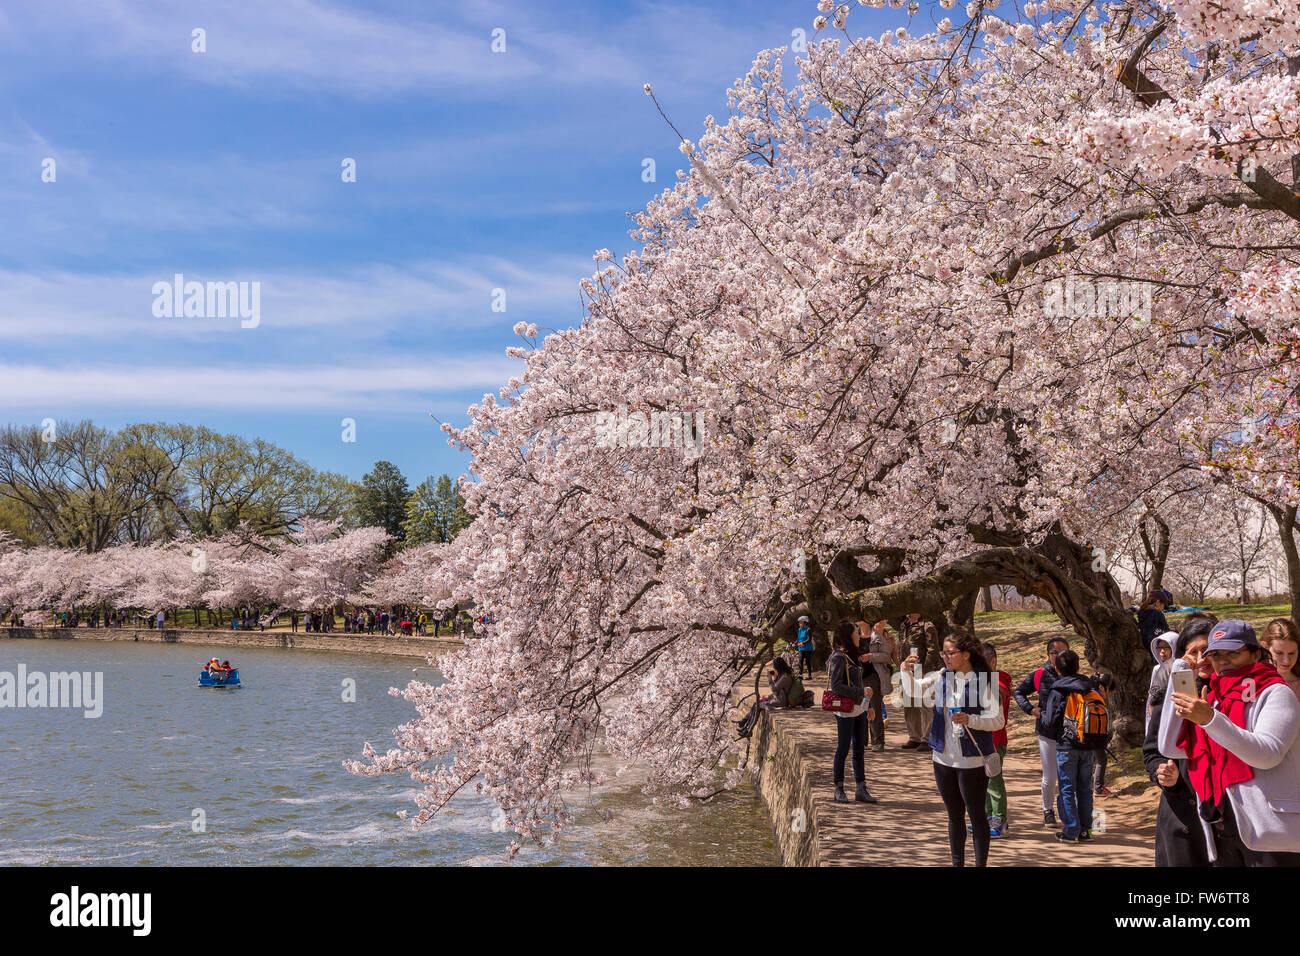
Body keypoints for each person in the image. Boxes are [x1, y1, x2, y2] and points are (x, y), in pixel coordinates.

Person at [1159, 619, 1300, 866]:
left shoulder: (1276, 692)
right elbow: (1169, 747)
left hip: (1271, 832)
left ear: (1255, 653)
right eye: (1216, 654)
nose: (1223, 660)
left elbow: (1267, 754)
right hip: (1222, 827)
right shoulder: (1213, 696)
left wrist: (1210, 720)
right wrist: (1180, 670)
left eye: (1233, 653)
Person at [904, 629, 1003, 866]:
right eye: (943, 653)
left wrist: (972, 720)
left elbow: (998, 720)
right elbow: (913, 691)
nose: (945, 658)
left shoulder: (984, 681)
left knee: (978, 817)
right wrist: (905, 671)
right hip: (942, 760)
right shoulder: (941, 676)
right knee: (954, 817)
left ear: (966, 654)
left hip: (972, 762)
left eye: (950, 653)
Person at [1143, 619, 1214, 866]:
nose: (1201, 658)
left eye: (1207, 650)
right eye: (1192, 652)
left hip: (1227, 818)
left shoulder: (1234, 695)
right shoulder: (1171, 695)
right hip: (1180, 814)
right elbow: (1152, 752)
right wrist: (1161, 773)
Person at [1040, 649, 1104, 843]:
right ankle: (1086, 830)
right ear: (1077, 666)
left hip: (1067, 745)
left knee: (1067, 788)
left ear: (1057, 668)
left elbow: (1049, 721)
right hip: (1088, 745)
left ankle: (1071, 831)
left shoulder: (1058, 689)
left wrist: (1041, 714)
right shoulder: (1088, 686)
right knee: (1084, 788)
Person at [1013, 636, 1069, 826]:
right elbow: (1018, 692)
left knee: (1067, 777)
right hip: (1047, 732)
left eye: (1063, 652)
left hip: (1070, 735)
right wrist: (1030, 709)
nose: (1059, 656)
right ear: (1048, 655)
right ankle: (1048, 811)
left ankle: (1068, 813)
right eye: (1054, 653)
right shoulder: (1039, 675)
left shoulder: (1073, 676)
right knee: (1050, 776)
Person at [827, 620, 877, 804]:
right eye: (856, 633)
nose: (859, 635)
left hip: (858, 709)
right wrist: (860, 693)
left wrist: (867, 705)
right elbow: (836, 686)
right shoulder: (838, 657)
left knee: (859, 749)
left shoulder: (853, 655)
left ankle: (860, 788)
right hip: (845, 711)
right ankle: (838, 788)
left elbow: (859, 683)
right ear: (848, 636)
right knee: (843, 748)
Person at [981, 641, 1013, 836]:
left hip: (995, 741)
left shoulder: (999, 680)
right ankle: (987, 818)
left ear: (993, 662)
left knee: (994, 782)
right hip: (979, 742)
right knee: (982, 783)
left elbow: (1002, 690)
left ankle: (999, 820)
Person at [898, 612, 940, 751]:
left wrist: (925, 670)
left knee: (924, 704)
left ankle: (926, 739)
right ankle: (914, 737)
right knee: (909, 703)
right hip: (906, 669)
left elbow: (933, 650)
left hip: (922, 669)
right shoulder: (904, 625)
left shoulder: (927, 626)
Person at [861, 619, 895, 752]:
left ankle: (877, 741)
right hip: (857, 677)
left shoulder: (877, 636)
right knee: (859, 709)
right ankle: (861, 741)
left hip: (873, 676)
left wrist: (870, 656)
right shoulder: (854, 635)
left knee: (874, 708)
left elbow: (887, 657)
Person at [1147, 631, 1179, 732]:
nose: (1162, 651)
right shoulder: (1157, 669)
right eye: (1159, 648)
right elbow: (1151, 696)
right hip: (1158, 711)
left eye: (1166, 647)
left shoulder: (1179, 668)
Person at [1263, 618, 1300, 701]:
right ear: (1266, 649)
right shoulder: (1253, 683)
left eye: (1292, 653)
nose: (1286, 660)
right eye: (1279, 653)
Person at [1092, 673, 1116, 798]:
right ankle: (1098, 788)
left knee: (1092, 759)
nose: (1110, 692)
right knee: (1102, 760)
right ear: (1101, 687)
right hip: (1095, 736)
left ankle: (1091, 785)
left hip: (1085, 735)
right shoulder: (1097, 700)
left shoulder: (1088, 695)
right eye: (1109, 688)